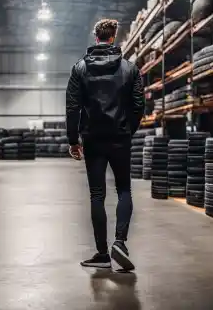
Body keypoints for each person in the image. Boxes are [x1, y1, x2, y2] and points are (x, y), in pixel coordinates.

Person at [65, 19, 145, 272]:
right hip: (120, 137)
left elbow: (72, 106)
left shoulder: (80, 68)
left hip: (93, 139)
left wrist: (73, 139)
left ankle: (102, 253)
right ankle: (120, 242)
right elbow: (138, 105)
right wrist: (127, 130)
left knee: (97, 195)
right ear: (114, 37)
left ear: (96, 37)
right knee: (123, 190)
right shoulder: (130, 69)